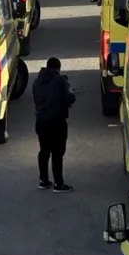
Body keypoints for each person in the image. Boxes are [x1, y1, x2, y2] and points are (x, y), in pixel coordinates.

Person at [32, 57, 75, 193]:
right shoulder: (60, 81)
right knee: (57, 153)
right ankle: (58, 184)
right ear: (58, 68)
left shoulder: (36, 82)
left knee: (44, 151)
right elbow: (69, 99)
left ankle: (43, 180)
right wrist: (70, 91)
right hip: (57, 122)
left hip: (41, 121)